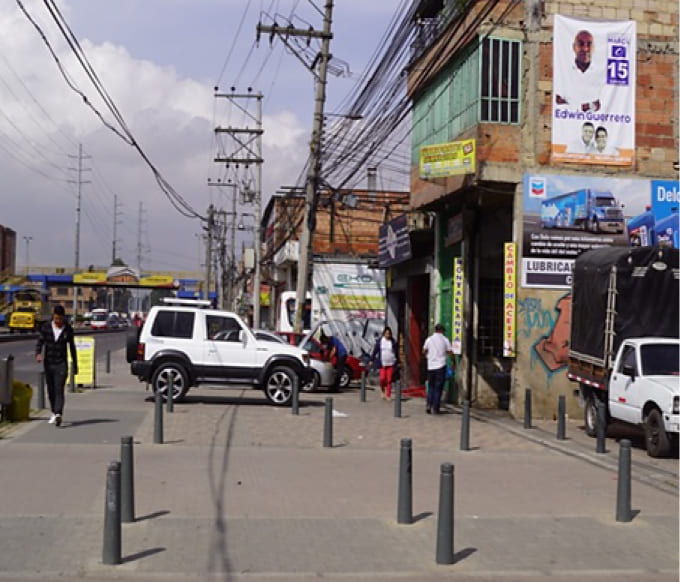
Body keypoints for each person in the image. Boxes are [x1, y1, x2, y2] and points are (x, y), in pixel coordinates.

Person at [35, 305, 78, 427]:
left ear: (63, 317)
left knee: (59, 388)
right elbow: (40, 341)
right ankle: (53, 411)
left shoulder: (68, 329)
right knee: (51, 389)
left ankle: (59, 413)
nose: (58, 322)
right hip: (49, 362)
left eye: (60, 319)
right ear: (53, 316)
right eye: (56, 319)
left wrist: (75, 364)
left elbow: (72, 347)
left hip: (61, 363)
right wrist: (38, 353)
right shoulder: (46, 327)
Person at [555, 29, 602, 113]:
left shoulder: (601, 73)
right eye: (581, 44)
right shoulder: (563, 72)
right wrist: (588, 105)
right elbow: (558, 103)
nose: (585, 48)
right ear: (574, 47)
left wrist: (571, 104)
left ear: (593, 48)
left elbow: (602, 106)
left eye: (589, 44)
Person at [422, 323, 453, 415]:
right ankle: (436, 408)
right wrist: (453, 362)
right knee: (438, 388)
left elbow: (423, 351)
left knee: (431, 387)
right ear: (442, 331)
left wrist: (428, 356)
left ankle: (428, 404)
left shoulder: (429, 339)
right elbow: (450, 352)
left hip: (431, 366)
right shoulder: (445, 340)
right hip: (441, 366)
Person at [371, 326, 399, 401]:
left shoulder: (393, 342)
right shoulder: (380, 341)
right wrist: (372, 359)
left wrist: (397, 361)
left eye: (389, 334)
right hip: (382, 363)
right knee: (382, 379)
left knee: (389, 380)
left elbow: (396, 352)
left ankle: (388, 395)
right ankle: (383, 390)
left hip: (390, 363)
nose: (388, 335)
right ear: (384, 334)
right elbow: (375, 351)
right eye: (386, 334)